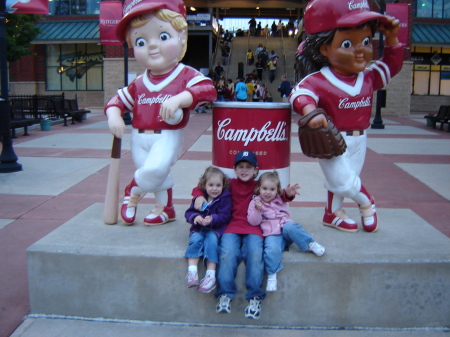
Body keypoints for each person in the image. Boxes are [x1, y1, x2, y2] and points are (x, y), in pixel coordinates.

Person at [290, 0, 403, 233]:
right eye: (348, 43)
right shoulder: (321, 79)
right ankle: (367, 204)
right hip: (332, 137)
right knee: (343, 180)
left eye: (366, 41)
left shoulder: (368, 77)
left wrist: (392, 39)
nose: (361, 49)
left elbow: (392, 66)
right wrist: (309, 111)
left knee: (343, 179)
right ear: (324, 49)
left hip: (360, 138)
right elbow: (299, 94)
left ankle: (332, 213)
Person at [104, 0, 216, 226]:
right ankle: (166, 209)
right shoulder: (139, 82)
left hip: (167, 134)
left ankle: (131, 192)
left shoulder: (183, 74)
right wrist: (114, 115)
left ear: (182, 37)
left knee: (155, 169)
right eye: (141, 41)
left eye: (163, 37)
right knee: (156, 174)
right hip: (139, 136)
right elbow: (117, 101)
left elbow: (208, 90)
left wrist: (179, 99)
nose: (152, 46)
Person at [191, 151, 298, 319]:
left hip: (254, 227)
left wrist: (288, 194)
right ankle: (225, 293)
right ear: (234, 169)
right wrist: (197, 195)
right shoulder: (229, 184)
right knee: (227, 253)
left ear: (256, 170)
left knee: (255, 254)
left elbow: (275, 194)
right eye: (240, 167)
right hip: (231, 226)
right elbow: (203, 184)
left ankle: (254, 296)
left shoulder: (258, 185)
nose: (244, 170)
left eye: (248, 167)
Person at [247, 171, 325, 292]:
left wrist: (289, 193)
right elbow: (253, 222)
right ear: (258, 188)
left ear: (277, 190)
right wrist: (257, 210)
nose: (268, 192)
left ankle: (310, 244)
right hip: (272, 234)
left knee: (292, 227)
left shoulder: (279, 198)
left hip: (286, 230)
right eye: (264, 188)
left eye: (272, 189)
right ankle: (272, 275)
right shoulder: (255, 203)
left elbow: (287, 196)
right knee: (271, 249)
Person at [185, 167, 232, 293]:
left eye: (218, 185)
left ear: (223, 185)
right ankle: (192, 271)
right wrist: (195, 217)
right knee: (195, 240)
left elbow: (225, 215)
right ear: (204, 185)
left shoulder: (224, 198)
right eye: (211, 185)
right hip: (199, 228)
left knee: (211, 242)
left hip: (214, 229)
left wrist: (212, 219)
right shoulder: (200, 198)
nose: (215, 189)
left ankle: (210, 274)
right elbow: (189, 213)